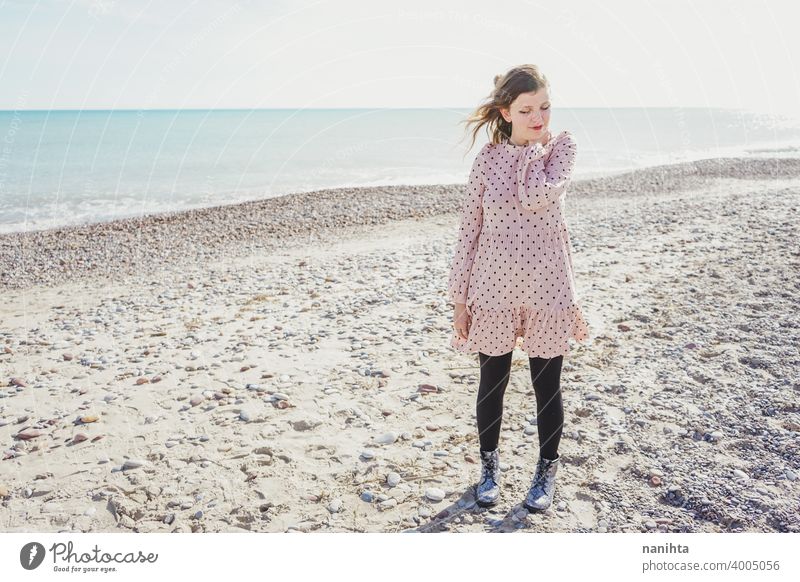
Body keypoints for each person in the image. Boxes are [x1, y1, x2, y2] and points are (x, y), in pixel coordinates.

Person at [447, 64, 590, 512]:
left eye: (544, 107)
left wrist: (532, 150)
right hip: (492, 289)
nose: (538, 117)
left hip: (548, 288)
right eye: (526, 109)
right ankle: (489, 467)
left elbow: (534, 195)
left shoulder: (560, 151)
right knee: (493, 382)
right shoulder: (486, 160)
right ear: (505, 112)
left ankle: (546, 472)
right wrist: (459, 300)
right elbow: (469, 230)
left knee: (547, 386)